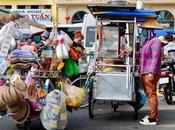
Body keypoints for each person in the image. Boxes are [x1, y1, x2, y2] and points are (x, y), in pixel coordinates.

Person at [139, 18, 163, 125]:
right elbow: (142, 55)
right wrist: (129, 53)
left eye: (144, 29)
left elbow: (156, 57)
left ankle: (153, 118)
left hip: (150, 72)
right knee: (149, 94)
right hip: (145, 71)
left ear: (149, 30)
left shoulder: (155, 41)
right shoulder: (146, 42)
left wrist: (151, 72)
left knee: (151, 94)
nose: (142, 31)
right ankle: (152, 115)